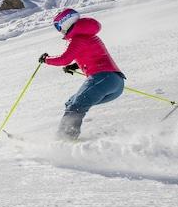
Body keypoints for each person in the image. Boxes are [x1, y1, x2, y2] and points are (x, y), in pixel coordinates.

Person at [39, 8, 125, 139]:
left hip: (102, 78)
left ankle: (65, 139)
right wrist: (75, 66)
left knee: (76, 106)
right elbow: (94, 56)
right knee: (71, 102)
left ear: (65, 22)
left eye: (58, 26)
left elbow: (63, 59)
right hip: (114, 83)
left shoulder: (78, 39)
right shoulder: (89, 36)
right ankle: (67, 137)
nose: (59, 30)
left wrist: (46, 59)